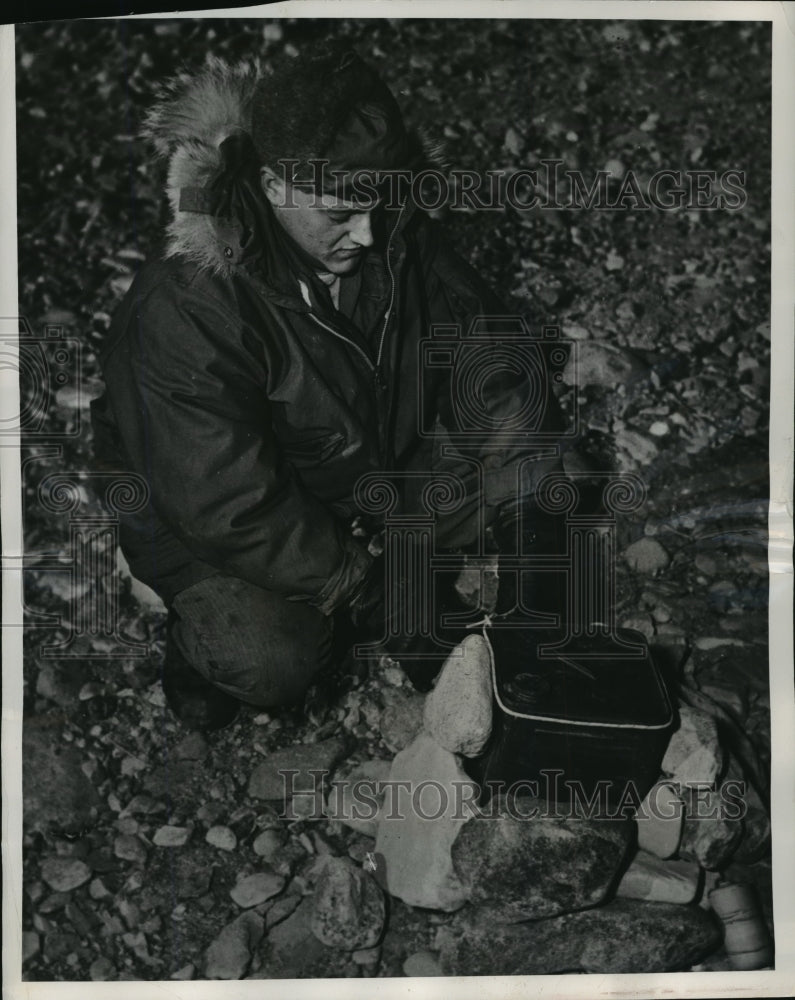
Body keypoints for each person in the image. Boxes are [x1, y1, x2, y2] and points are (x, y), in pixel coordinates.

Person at [90, 43, 566, 731]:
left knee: (542, 472)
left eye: (376, 204)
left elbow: (492, 362)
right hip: (215, 514)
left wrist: (529, 554)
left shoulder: (391, 226)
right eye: (339, 213)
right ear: (272, 185)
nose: (367, 235)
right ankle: (201, 637)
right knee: (270, 661)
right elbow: (222, 499)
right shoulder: (188, 303)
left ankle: (398, 580)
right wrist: (376, 592)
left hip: (368, 469)